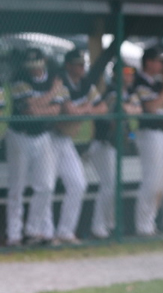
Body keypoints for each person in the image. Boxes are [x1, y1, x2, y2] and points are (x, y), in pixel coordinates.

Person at [5, 48, 69, 246]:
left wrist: (41, 106)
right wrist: (50, 94)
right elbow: (30, 109)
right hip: (19, 136)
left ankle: (33, 230)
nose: (34, 69)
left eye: (37, 64)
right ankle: (14, 234)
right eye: (30, 66)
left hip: (42, 137)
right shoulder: (20, 79)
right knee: (17, 186)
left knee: (46, 185)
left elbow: (57, 110)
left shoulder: (55, 78)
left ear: (44, 62)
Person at [51, 49, 108, 245]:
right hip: (49, 137)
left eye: (82, 64)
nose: (81, 67)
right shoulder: (60, 80)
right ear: (68, 65)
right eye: (77, 64)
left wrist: (83, 109)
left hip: (65, 139)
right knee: (46, 185)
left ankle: (65, 232)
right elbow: (68, 111)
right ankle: (44, 234)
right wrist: (86, 108)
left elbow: (103, 108)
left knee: (78, 183)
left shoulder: (85, 83)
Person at [85, 63, 142, 239]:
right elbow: (120, 112)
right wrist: (127, 109)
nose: (129, 76)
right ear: (116, 75)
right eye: (125, 72)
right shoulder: (111, 92)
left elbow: (137, 111)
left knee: (112, 185)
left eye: (131, 72)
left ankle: (107, 225)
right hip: (102, 144)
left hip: (113, 147)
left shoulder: (128, 94)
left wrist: (130, 133)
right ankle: (98, 227)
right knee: (109, 184)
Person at [132, 46, 163, 236]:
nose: (161, 66)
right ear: (148, 62)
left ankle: (150, 224)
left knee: (160, 183)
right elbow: (151, 107)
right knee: (152, 181)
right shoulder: (140, 81)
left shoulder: (156, 83)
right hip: (149, 134)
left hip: (162, 134)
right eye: (158, 61)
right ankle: (143, 226)